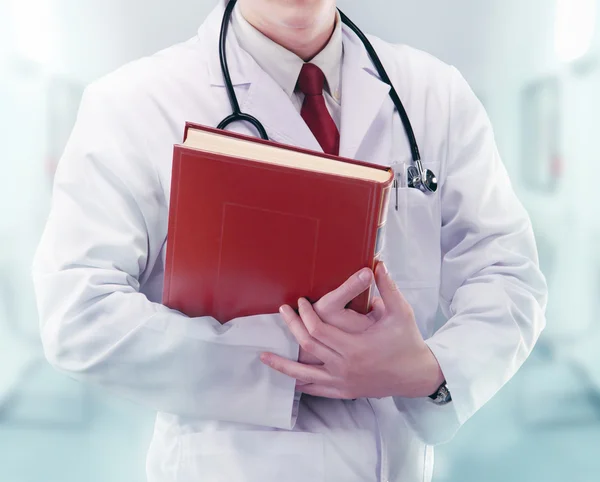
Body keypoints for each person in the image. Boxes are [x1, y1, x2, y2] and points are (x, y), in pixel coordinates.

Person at [31, 0, 548, 481]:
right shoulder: (135, 102)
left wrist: (427, 371)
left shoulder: (434, 94)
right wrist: (296, 359)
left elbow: (507, 274)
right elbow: (79, 311)